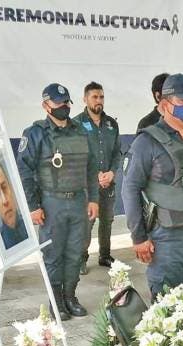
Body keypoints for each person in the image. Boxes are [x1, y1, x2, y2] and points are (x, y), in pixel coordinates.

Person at [122, 73, 183, 301]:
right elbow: (130, 189)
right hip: (168, 239)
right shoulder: (147, 142)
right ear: (165, 104)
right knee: (167, 308)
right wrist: (139, 237)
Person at [17, 83, 99, 320]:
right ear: (46, 105)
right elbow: (24, 172)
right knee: (53, 254)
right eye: (58, 102)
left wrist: (93, 199)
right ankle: (56, 301)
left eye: (66, 102)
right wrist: (33, 206)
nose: (64, 106)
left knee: (76, 252)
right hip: (51, 203)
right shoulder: (35, 134)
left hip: (78, 201)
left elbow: (91, 167)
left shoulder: (81, 130)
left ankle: (70, 296)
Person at [75, 81, 122, 275]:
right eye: (94, 97)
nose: (99, 100)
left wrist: (112, 172)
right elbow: (76, 155)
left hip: (108, 182)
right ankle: (80, 258)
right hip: (87, 185)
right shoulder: (76, 124)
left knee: (107, 220)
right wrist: (94, 175)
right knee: (87, 221)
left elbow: (118, 153)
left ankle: (105, 255)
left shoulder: (111, 124)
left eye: (101, 97)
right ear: (85, 99)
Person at [0, 159, 28, 249]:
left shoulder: (31, 226)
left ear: (11, 188)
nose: (5, 201)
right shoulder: (0, 244)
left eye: (4, 187)